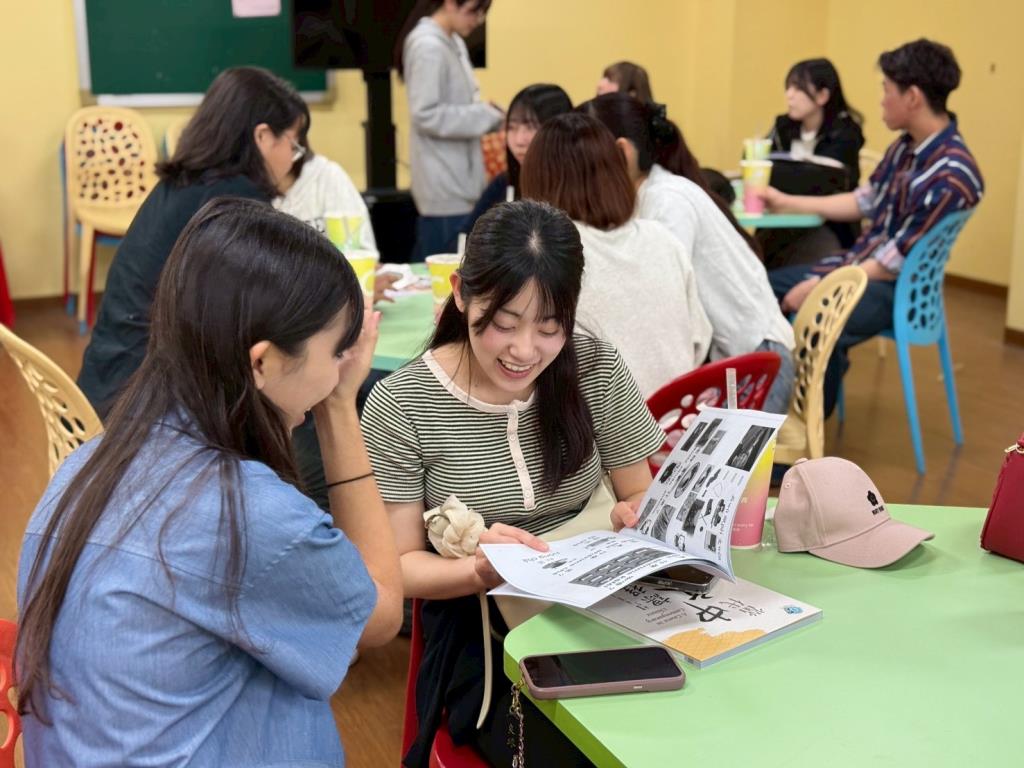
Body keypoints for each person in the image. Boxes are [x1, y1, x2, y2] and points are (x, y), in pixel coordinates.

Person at [16, 199, 403, 765]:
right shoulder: (247, 512)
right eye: (335, 351)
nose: (338, 368)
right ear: (263, 363)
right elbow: (382, 610)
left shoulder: (90, 461)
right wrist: (341, 407)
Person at [360, 200, 665, 766]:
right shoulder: (403, 404)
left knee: (671, 728)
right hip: (488, 640)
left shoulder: (592, 366)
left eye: (550, 328)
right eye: (503, 324)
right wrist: (476, 568)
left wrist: (637, 514)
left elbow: (637, 493)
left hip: (606, 613)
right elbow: (397, 567)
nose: (525, 351)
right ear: (460, 292)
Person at [764, 39, 984, 417]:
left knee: (816, 319)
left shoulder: (952, 173)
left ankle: (806, 433)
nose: (881, 99)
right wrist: (787, 201)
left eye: (886, 89)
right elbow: (863, 201)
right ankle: (767, 409)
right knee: (758, 285)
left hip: (892, 289)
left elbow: (891, 263)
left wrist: (819, 286)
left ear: (912, 97)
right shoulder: (906, 148)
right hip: (859, 266)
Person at [77, 66, 309, 417]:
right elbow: (262, 311)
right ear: (262, 137)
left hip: (104, 382)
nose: (293, 158)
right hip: (147, 406)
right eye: (292, 143)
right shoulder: (235, 199)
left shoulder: (184, 182)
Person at [580, 93, 794, 413]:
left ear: (621, 151)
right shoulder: (650, 194)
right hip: (734, 362)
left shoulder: (668, 202)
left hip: (757, 366)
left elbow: (665, 311)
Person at [521, 111, 712, 397]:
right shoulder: (662, 238)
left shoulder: (548, 252)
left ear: (537, 179)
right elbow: (699, 340)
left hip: (605, 434)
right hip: (679, 421)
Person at [395, 0, 504, 259]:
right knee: (443, 277)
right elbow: (426, 114)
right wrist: (485, 116)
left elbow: (454, 105)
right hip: (444, 186)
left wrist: (486, 113)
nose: (477, 20)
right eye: (473, 11)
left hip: (461, 181)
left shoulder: (452, 41)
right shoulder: (427, 46)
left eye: (482, 13)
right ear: (449, 4)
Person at [761, 58, 866, 267]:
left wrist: (787, 176)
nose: (789, 95)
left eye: (798, 89)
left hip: (828, 225)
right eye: (788, 87)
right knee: (752, 259)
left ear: (822, 95)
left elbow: (827, 183)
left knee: (794, 266)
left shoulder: (846, 133)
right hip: (780, 220)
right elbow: (760, 165)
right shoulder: (783, 127)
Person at [460, 83, 573, 234]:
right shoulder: (503, 184)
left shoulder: (577, 188)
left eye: (531, 127)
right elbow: (464, 238)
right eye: (512, 127)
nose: (519, 140)